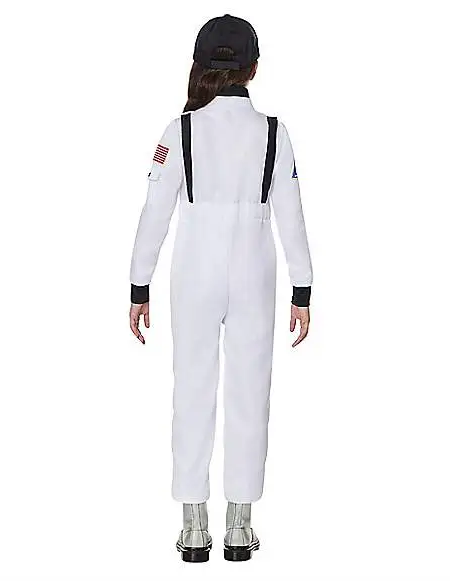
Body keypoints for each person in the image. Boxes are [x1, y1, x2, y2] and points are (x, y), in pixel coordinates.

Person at [129, 14, 312, 563]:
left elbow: (154, 211)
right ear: (253, 68)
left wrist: (138, 284)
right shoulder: (274, 132)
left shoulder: (180, 130)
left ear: (201, 64)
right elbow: (292, 216)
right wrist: (303, 290)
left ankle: (192, 526)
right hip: (255, 270)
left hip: (194, 272)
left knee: (192, 389)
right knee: (250, 393)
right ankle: (239, 524)